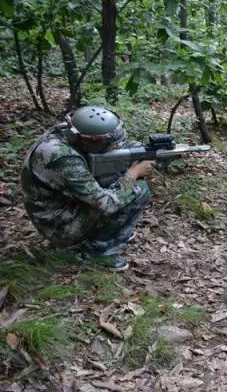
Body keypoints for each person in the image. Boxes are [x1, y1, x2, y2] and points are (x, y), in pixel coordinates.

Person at [21, 106, 154, 271]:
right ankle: (96, 252)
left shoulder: (68, 132)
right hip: (58, 226)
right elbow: (106, 204)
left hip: (60, 206)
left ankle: (111, 233)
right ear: (92, 141)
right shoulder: (65, 159)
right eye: (107, 142)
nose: (111, 145)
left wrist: (142, 151)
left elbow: (116, 147)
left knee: (115, 181)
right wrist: (133, 173)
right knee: (138, 189)